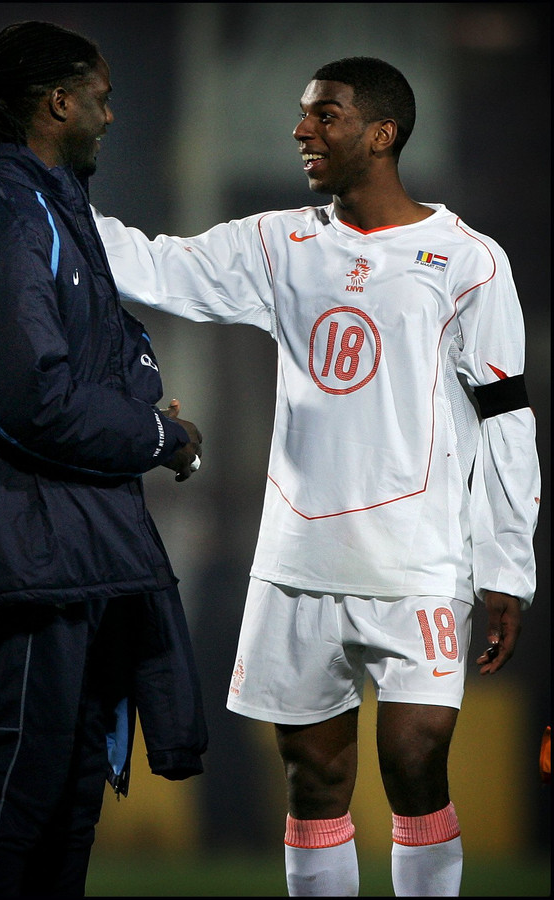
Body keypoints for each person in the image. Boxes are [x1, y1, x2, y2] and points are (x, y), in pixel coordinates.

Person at [92, 56, 540, 896]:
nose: (301, 130)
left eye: (324, 115)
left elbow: (504, 419)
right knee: (313, 775)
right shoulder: (280, 243)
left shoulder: (469, 261)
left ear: (382, 133)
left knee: (414, 757)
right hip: (298, 561)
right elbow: (152, 264)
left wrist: (506, 565)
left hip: (419, 560)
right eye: (303, 114)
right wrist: (45, 198)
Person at [0, 20, 208, 897]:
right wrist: (157, 436)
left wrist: (138, 404)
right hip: (23, 550)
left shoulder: (48, 212)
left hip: (70, 546)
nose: (110, 116)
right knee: (16, 791)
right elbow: (29, 395)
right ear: (58, 103)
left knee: (69, 794)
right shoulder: (0, 213)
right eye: (100, 99)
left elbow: (108, 361)